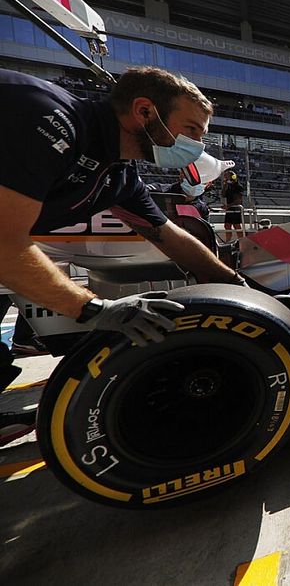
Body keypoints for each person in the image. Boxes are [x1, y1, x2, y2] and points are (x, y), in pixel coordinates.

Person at [0, 66, 245, 446]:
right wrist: (97, 309)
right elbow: (4, 244)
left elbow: (167, 235)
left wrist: (233, 282)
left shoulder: (117, 174)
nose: (197, 145)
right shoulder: (50, 121)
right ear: (144, 111)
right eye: (192, 130)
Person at [221, 170, 245, 242]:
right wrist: (225, 185)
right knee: (227, 225)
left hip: (236, 209)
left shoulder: (238, 186)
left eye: (227, 176)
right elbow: (223, 195)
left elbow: (238, 200)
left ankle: (241, 241)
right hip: (230, 209)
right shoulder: (228, 186)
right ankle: (228, 241)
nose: (225, 177)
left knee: (236, 225)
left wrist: (228, 206)